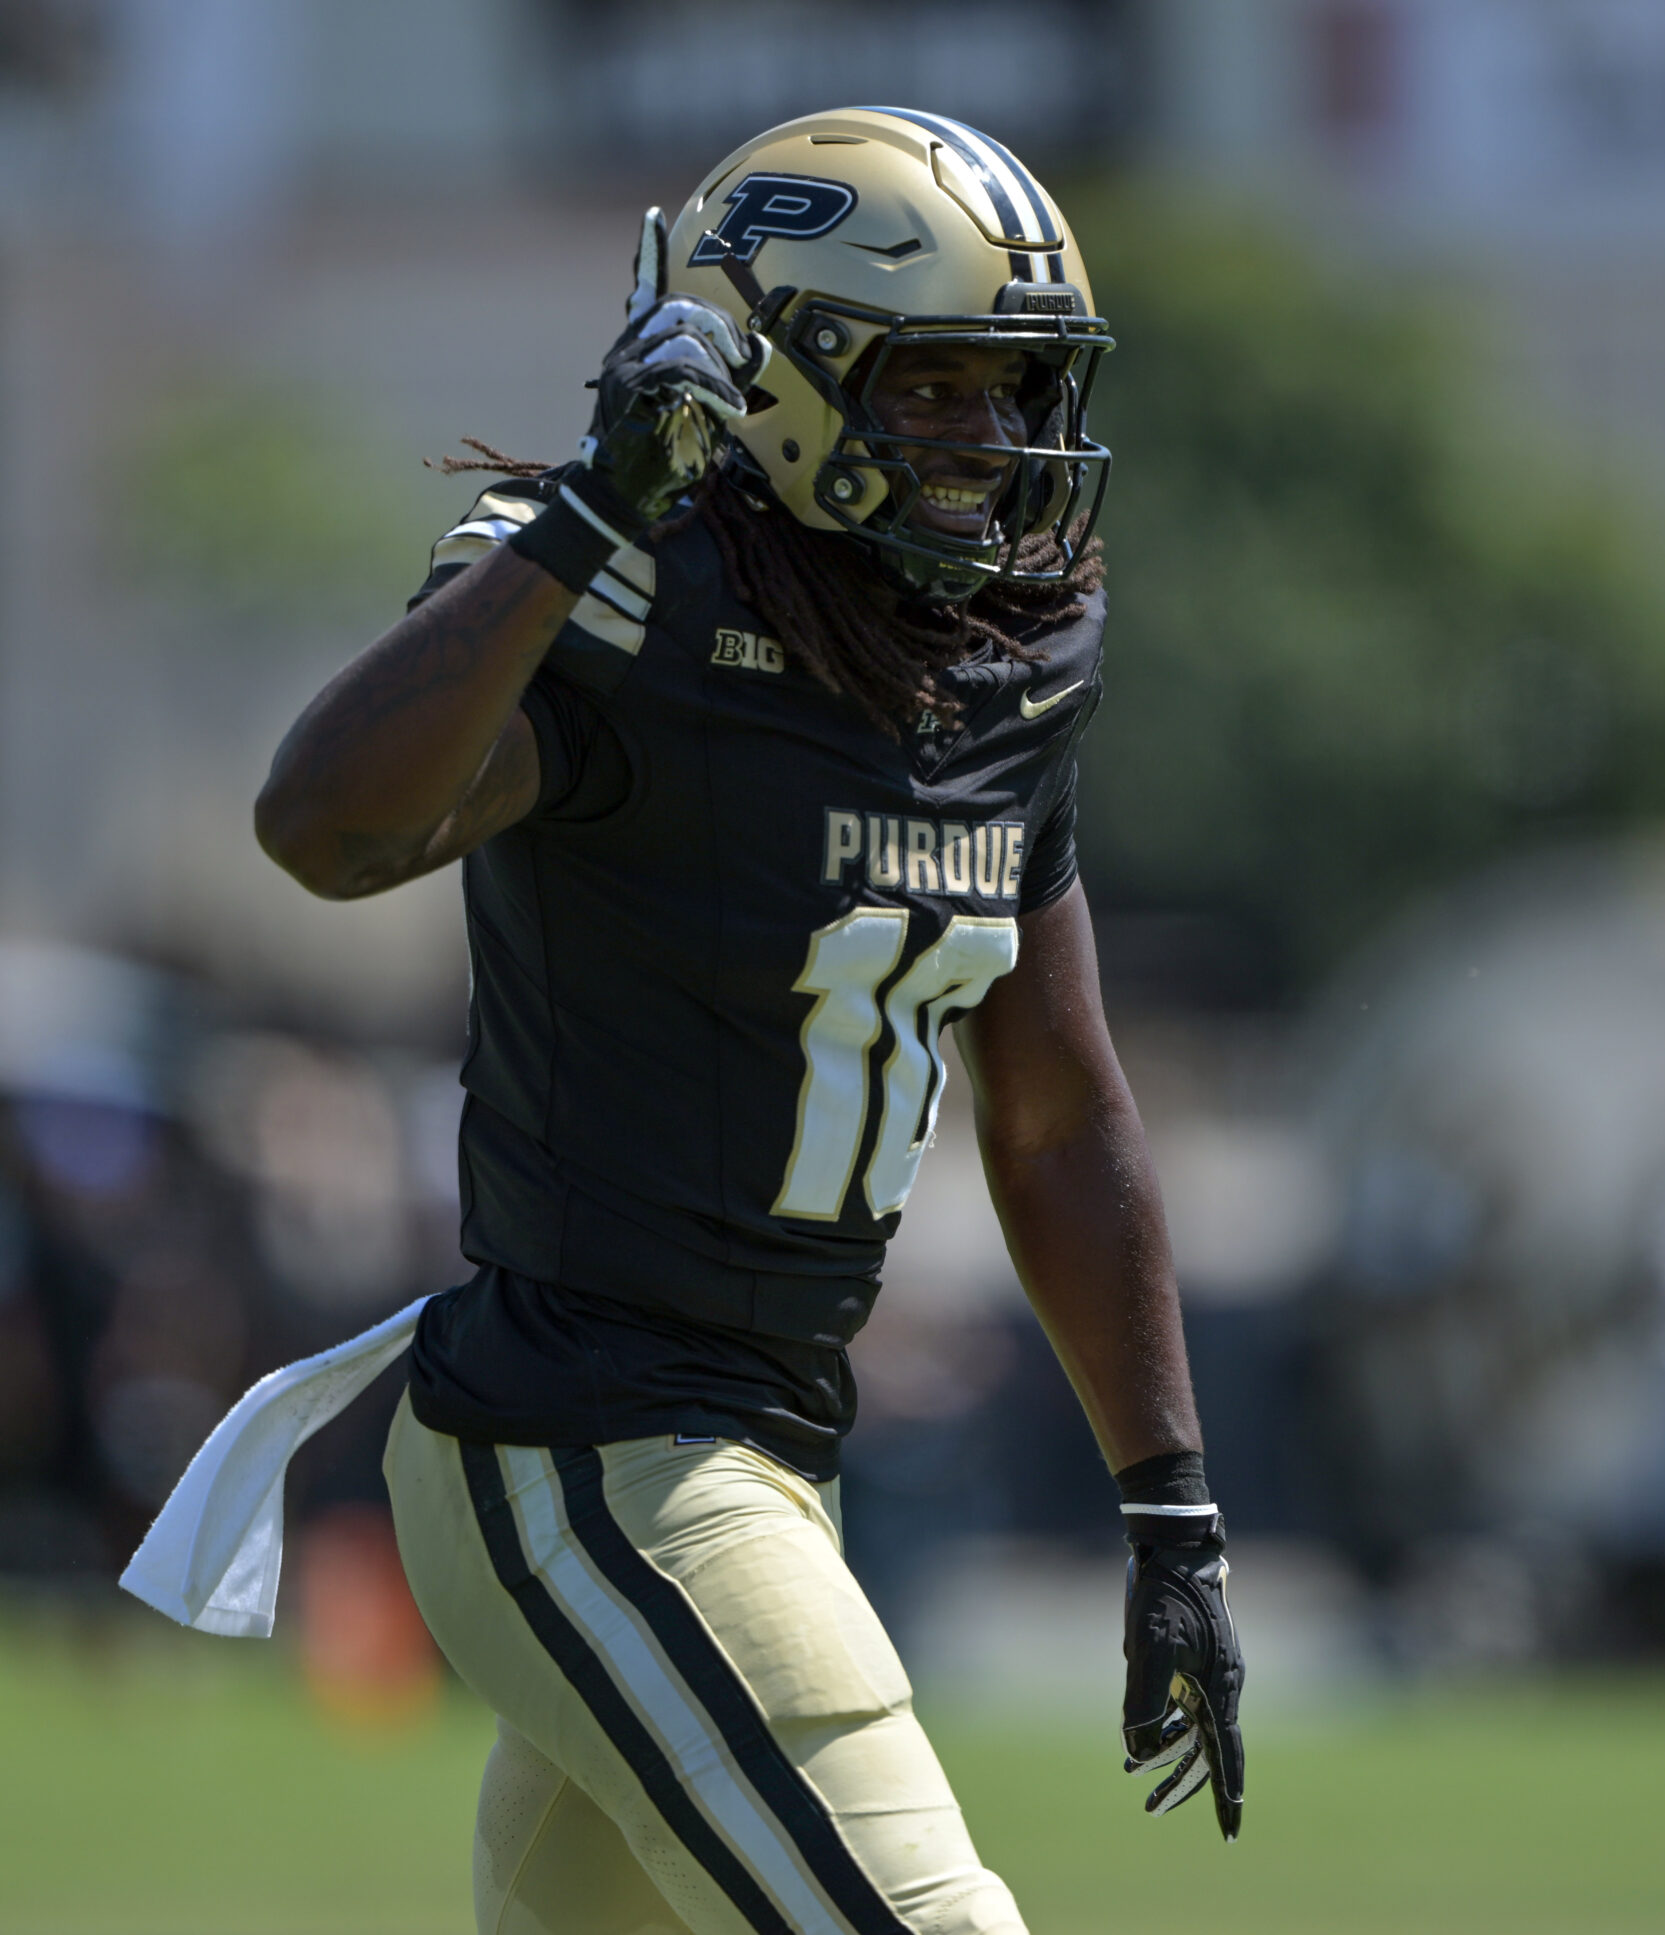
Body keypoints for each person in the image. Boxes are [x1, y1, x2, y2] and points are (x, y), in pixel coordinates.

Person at [251, 107, 1243, 1935]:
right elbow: (327, 829)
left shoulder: (999, 656)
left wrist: (1169, 1505)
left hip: (770, 1451)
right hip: (583, 1448)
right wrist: (590, 508)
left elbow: (1054, 1112)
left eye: (1016, 391)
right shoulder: (625, 591)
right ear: (772, 363)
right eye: (932, 383)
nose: (990, 442)